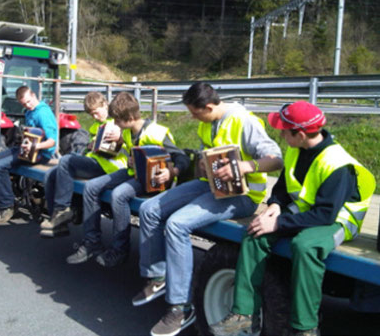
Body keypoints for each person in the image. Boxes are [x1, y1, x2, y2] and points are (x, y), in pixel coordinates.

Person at [209, 101, 376, 336]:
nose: (280, 133)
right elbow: (283, 187)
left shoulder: (337, 164)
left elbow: (325, 214)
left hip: (337, 220)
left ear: (299, 134)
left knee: (305, 246)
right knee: (255, 234)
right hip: (306, 212)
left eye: (284, 130)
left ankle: (306, 328)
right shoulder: (296, 149)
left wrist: (278, 223)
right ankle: (243, 314)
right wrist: (275, 206)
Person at [132, 82, 283, 336]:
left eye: (195, 112)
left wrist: (245, 167)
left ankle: (181, 307)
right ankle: (158, 277)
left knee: (177, 224)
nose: (192, 117)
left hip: (243, 195)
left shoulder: (244, 121)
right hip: (210, 186)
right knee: (149, 209)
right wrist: (203, 164)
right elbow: (208, 155)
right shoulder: (207, 122)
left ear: (210, 106)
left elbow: (276, 159)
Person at [66, 91, 190, 268]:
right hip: (134, 172)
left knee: (119, 195)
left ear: (130, 117)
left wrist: (172, 172)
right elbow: (128, 152)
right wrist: (130, 157)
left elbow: (182, 158)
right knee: (91, 187)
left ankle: (120, 249)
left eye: (117, 120)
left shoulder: (157, 132)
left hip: (153, 180)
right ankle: (91, 241)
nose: (115, 124)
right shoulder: (128, 132)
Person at [41, 91, 128, 237]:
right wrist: (90, 146)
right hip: (94, 161)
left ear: (105, 105)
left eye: (96, 112)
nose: (94, 116)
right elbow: (92, 147)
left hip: (109, 167)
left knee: (66, 161)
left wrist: (120, 138)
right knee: (51, 174)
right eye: (91, 114)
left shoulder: (117, 123)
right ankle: (56, 218)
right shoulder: (97, 125)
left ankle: (63, 210)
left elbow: (129, 143)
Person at [0, 86, 58, 226]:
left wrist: (35, 146)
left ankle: (7, 205)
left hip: (40, 154)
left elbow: (52, 142)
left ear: (34, 95)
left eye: (29, 102)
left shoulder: (43, 113)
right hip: (27, 149)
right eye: (24, 104)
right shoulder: (29, 112)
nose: (28, 106)